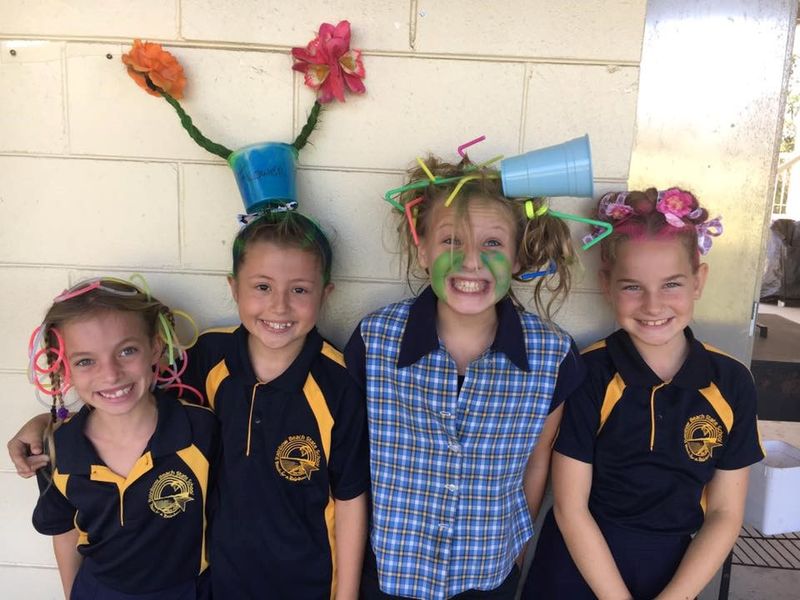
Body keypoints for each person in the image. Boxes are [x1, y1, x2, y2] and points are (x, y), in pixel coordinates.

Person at [11, 210, 370, 600]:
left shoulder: (338, 382)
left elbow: (350, 497)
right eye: (262, 287)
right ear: (234, 288)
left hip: (305, 581)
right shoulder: (206, 357)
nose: (279, 307)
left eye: (299, 289)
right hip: (214, 581)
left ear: (325, 293)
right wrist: (43, 423)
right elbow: (122, 396)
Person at [345, 156, 586, 600]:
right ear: (422, 250)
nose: (471, 261)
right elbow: (353, 464)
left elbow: (537, 462)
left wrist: (515, 554)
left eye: (493, 243)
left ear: (517, 256)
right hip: (389, 575)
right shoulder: (375, 340)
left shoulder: (552, 356)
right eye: (451, 240)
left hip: (487, 576)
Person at [523, 188, 763, 600]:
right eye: (633, 287)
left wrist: (677, 595)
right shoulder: (588, 372)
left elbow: (724, 513)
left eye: (671, 284)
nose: (653, 305)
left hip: (675, 573)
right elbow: (570, 506)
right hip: (577, 566)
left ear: (698, 280)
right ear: (607, 285)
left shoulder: (731, 382)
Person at [28, 279, 218, 599]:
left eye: (126, 351)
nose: (111, 374)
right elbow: (63, 529)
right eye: (86, 361)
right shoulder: (57, 449)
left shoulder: (200, 430)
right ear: (64, 367)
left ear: (155, 348)